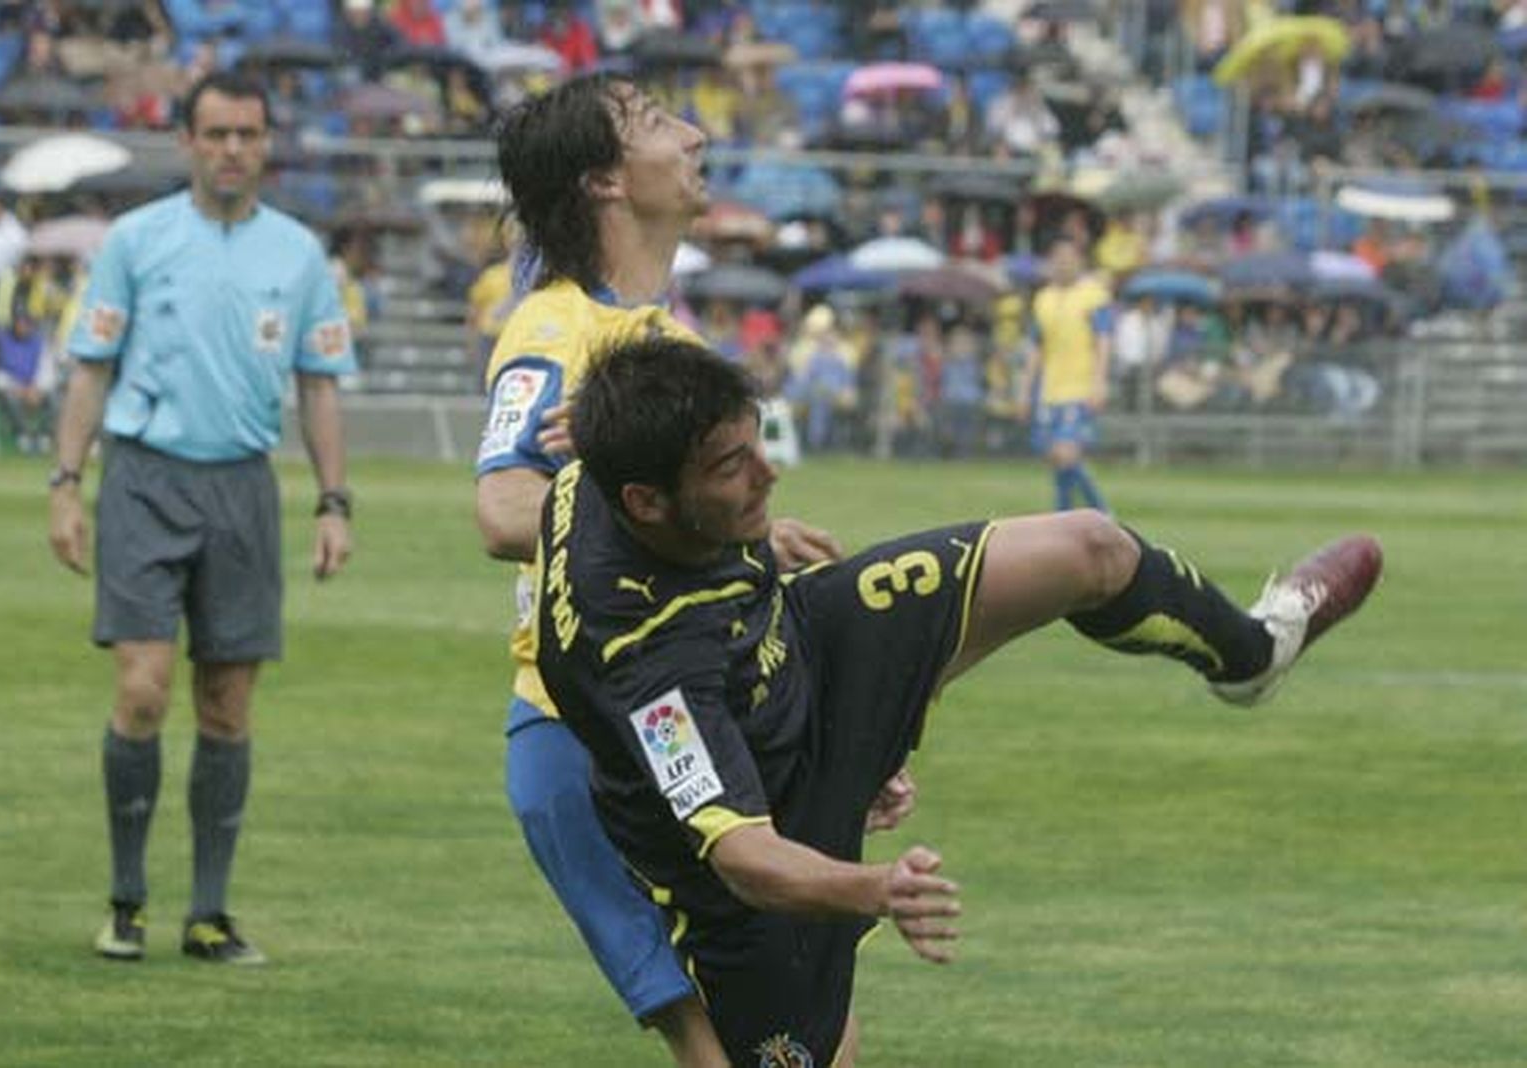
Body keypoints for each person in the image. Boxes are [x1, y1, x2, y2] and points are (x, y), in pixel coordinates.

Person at [536, 335, 1384, 1067]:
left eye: (759, 442)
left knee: (1089, 547)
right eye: (733, 468)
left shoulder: (589, 471)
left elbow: (561, 475)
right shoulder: (652, 667)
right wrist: (878, 888)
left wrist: (756, 530)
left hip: (808, 641)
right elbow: (745, 862)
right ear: (645, 501)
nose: (770, 471)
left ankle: (1251, 655)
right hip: (774, 836)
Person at [476, 76, 853, 1065]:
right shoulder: (556, 331)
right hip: (591, 743)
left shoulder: (673, 345)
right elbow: (503, 509)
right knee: (740, 1044)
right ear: (603, 181)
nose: (693, 133)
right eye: (654, 124)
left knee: (805, 1028)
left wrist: (754, 540)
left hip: (687, 717)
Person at [46, 72, 356, 967]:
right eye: (215, 133)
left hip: (243, 488)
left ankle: (209, 914)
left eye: (247, 134)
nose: (231, 150)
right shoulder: (136, 241)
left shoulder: (299, 256)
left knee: (227, 704)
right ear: (186, 141)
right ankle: (127, 900)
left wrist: (333, 502)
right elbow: (89, 367)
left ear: (266, 143)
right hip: (143, 479)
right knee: (142, 688)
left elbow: (319, 388)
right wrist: (66, 483)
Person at [1017, 237, 1114, 513]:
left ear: (1080, 261)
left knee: (1066, 454)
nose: (1063, 264)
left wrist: (1099, 382)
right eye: (1058, 259)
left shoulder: (1094, 295)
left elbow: (1103, 340)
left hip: (1080, 388)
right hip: (1049, 391)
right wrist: (1025, 391)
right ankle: (1064, 519)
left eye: (1069, 258)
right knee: (1054, 459)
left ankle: (1102, 514)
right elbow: (1036, 348)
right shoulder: (1043, 298)